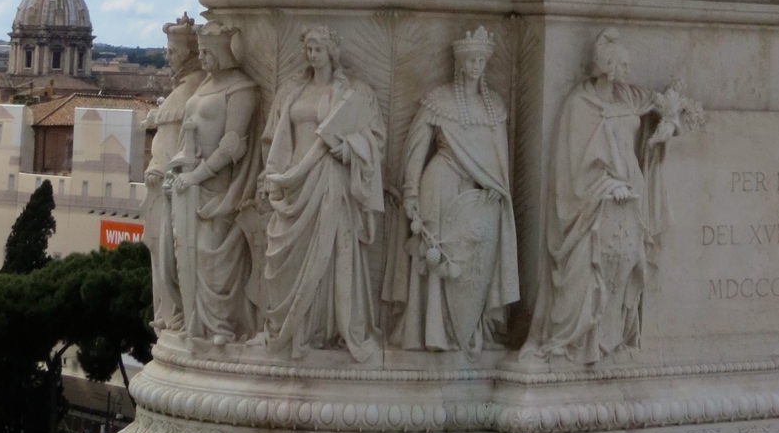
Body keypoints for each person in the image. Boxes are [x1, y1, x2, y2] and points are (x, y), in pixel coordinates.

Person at [525, 27, 701, 363]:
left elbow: (665, 109)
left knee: (624, 268)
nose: (628, 71)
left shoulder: (628, 97)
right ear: (607, 65)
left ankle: (614, 337)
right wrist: (604, 186)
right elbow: (572, 164)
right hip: (594, 202)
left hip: (629, 197)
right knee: (586, 269)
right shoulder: (580, 104)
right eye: (623, 65)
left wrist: (668, 126)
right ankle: (574, 338)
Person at [385, 26, 519, 353]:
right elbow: (417, 149)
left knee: (471, 264)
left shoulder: (494, 106)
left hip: (477, 195)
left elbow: (498, 161)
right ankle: (433, 332)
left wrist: (496, 189)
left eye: (481, 60)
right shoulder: (440, 100)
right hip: (440, 184)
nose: (476, 66)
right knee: (438, 258)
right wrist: (412, 194)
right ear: (460, 62)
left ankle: (468, 331)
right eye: (471, 60)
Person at [258, 26, 386, 360]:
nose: (311, 55)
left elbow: (374, 139)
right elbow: (274, 137)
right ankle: (289, 332)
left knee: (326, 258)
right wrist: (273, 176)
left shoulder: (354, 93)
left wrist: (349, 147)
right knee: (286, 259)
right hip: (292, 183)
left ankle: (318, 331)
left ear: (332, 52)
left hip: (330, 181)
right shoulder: (292, 92)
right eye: (308, 49)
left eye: (317, 49)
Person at [169, 20, 258, 345]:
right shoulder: (204, 86)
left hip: (218, 187)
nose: (201, 57)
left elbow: (233, 145)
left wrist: (198, 174)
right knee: (186, 254)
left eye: (207, 51)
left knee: (211, 254)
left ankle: (222, 325)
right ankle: (196, 323)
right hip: (188, 181)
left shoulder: (241, 89)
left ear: (221, 52)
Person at [143, 14, 203, 332]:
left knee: (171, 257)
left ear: (191, 53)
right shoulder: (184, 88)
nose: (167, 57)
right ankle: (169, 311)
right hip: (163, 185)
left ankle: (177, 311)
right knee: (162, 255)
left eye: (173, 51)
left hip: (176, 187)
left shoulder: (195, 88)